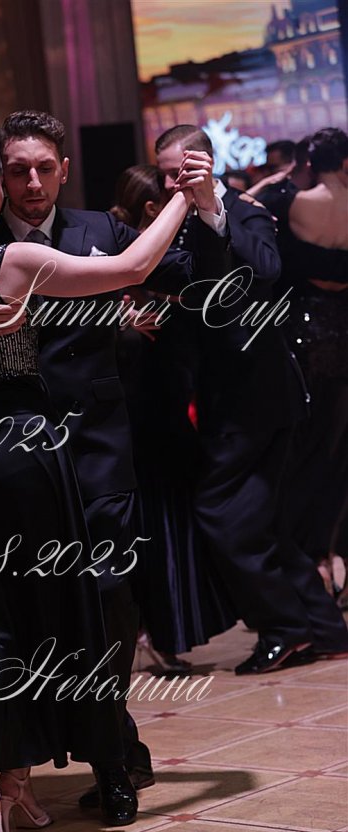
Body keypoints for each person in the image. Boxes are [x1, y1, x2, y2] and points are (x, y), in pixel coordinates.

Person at [0, 110, 230, 820]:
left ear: (65, 170)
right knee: (25, 612)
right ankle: (31, 765)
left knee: (103, 606)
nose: (33, 182)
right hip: (23, 460)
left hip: (92, 454)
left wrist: (208, 212)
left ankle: (103, 756)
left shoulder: (98, 229)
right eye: (17, 170)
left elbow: (184, 273)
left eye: (45, 168)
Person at [155, 124, 348, 674]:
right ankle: (324, 628)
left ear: (206, 163)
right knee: (266, 520)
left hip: (258, 393)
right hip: (227, 393)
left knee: (223, 514)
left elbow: (265, 269)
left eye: (178, 171)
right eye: (163, 173)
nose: (169, 183)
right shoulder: (172, 219)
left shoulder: (243, 210)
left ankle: (285, 628)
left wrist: (212, 214)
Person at [111, 165, 236, 665]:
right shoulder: (122, 256)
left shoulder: (154, 257)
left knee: (168, 522)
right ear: (150, 209)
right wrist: (116, 319)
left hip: (164, 410)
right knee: (158, 524)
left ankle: (158, 630)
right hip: (147, 418)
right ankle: (156, 631)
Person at [258, 128, 348, 613]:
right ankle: (327, 554)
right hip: (344, 332)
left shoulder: (290, 202)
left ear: (308, 161)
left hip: (301, 334)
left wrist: (273, 180)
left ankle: (300, 564)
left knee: (298, 452)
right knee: (336, 450)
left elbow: (246, 211)